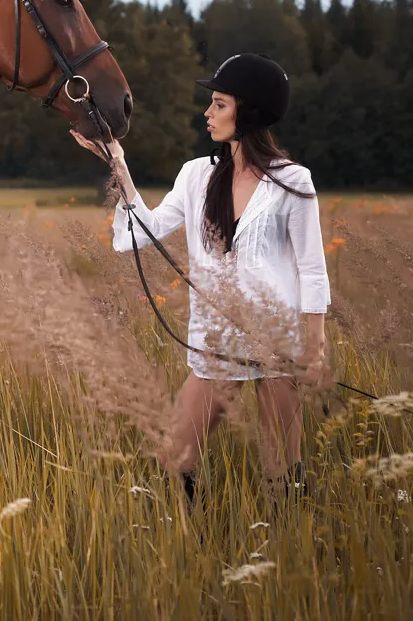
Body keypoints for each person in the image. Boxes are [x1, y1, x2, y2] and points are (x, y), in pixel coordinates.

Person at [71, 52, 331, 507]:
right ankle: (196, 542)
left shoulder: (293, 182)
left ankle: (292, 548)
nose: (207, 114)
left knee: (282, 470)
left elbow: (311, 268)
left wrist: (314, 345)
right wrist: (119, 165)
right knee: (176, 459)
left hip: (278, 344)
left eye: (219, 104)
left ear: (248, 111)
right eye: (211, 104)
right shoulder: (196, 176)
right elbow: (145, 231)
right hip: (215, 342)